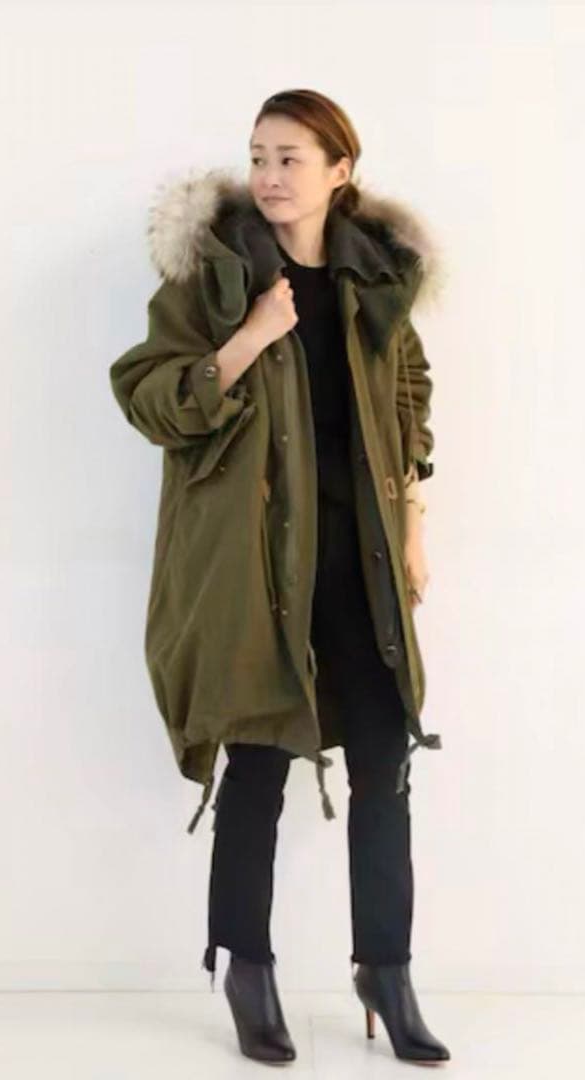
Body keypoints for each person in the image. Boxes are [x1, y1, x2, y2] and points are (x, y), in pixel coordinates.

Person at [109, 87, 450, 1066]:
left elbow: (409, 397)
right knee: (257, 763)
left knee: (383, 761)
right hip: (256, 563)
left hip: (361, 557)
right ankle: (246, 968)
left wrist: (413, 525)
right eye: (258, 155)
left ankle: (386, 970)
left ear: (340, 171)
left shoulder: (372, 280)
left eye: (290, 157)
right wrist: (252, 335)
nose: (268, 175)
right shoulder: (214, 278)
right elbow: (151, 398)